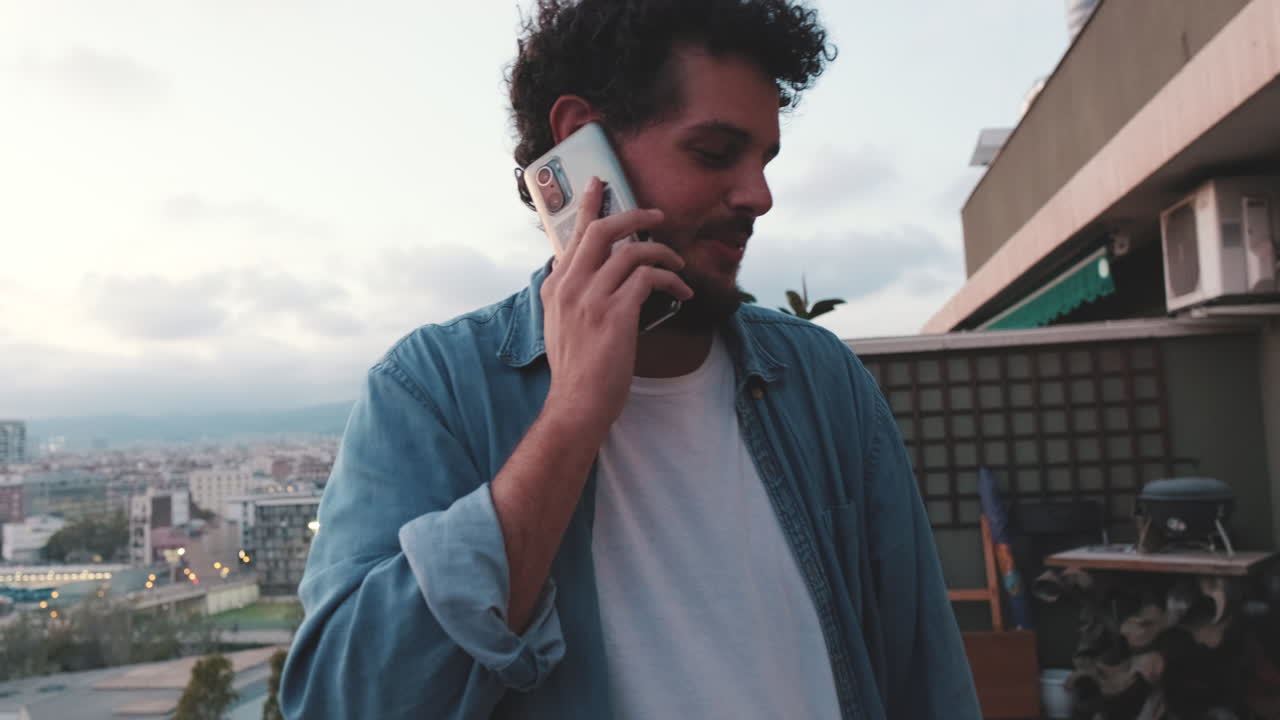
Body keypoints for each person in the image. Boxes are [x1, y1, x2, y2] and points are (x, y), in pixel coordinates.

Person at [279, 0, 982, 718]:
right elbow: (344, 700)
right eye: (714, 153)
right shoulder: (434, 391)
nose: (759, 196)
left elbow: (926, 678)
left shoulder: (823, 385)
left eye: (765, 160)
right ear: (582, 143)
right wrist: (572, 417)